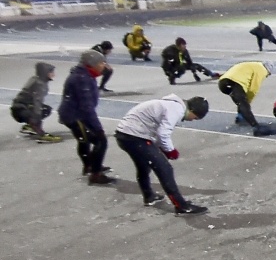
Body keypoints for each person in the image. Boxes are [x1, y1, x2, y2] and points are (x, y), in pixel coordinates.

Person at [113, 94, 209, 214]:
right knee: (165, 169)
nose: (192, 120)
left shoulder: (170, 104)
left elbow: (158, 135)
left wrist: (163, 149)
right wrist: (170, 151)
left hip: (124, 135)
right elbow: (163, 134)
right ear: (193, 110)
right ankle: (181, 206)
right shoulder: (177, 109)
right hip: (135, 136)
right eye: (195, 117)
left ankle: (149, 196)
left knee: (143, 166)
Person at [60, 50, 112, 182]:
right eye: (101, 63)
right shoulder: (82, 79)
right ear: (92, 63)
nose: (104, 66)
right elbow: (86, 107)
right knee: (100, 141)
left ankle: (90, 165)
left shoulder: (86, 74)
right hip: (75, 116)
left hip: (75, 114)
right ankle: (95, 173)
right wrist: (98, 127)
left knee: (85, 140)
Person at [215, 60, 276, 137]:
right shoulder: (262, 70)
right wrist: (248, 102)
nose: (266, 76)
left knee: (240, 101)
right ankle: (257, 127)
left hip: (223, 82)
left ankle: (240, 117)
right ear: (268, 70)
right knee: (243, 103)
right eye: (268, 75)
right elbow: (253, 89)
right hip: (234, 82)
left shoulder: (254, 65)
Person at [11, 62, 62, 143]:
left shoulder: (36, 79)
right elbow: (37, 103)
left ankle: (30, 125)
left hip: (19, 108)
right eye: (51, 72)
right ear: (45, 73)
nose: (53, 74)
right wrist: (36, 119)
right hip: (21, 110)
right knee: (40, 111)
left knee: (45, 109)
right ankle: (40, 134)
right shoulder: (39, 84)